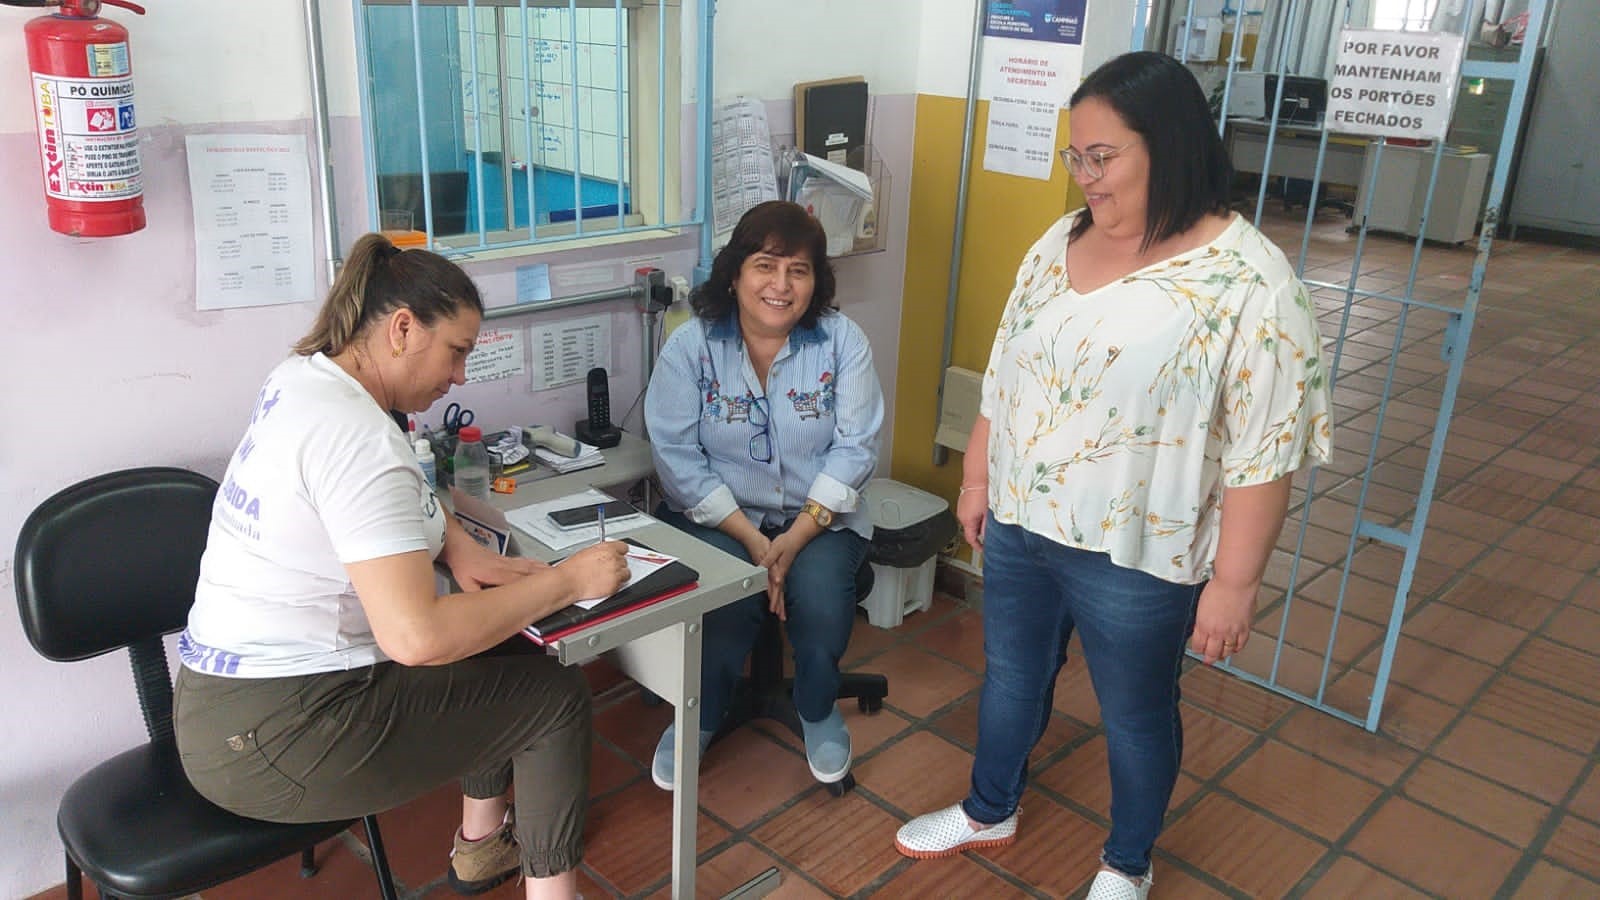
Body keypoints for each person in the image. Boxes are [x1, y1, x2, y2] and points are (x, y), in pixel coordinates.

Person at [893, 52, 1332, 900]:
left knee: (1134, 715)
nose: (1086, 178)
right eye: (1075, 158)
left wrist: (1235, 584)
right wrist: (979, 478)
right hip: (1025, 522)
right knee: (1013, 675)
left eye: (1104, 157)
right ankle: (990, 808)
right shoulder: (1059, 241)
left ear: (1167, 146)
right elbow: (1006, 369)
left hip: (1138, 549)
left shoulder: (1249, 282)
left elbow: (1266, 449)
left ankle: (1127, 862)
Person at [173, 233, 629, 900]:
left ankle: (480, 846)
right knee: (555, 700)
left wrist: (456, 545)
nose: (460, 378)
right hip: (277, 735)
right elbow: (417, 638)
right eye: (457, 352)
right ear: (403, 329)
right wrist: (567, 580)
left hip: (227, 702)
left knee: (508, 643)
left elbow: (400, 485)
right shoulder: (356, 437)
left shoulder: (308, 378)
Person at [643, 200, 884, 789]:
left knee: (823, 595)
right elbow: (675, 457)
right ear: (734, 273)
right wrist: (753, 541)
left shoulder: (841, 341)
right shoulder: (690, 346)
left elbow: (856, 447)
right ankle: (697, 716)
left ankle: (818, 707)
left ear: (815, 281)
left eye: (798, 271)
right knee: (722, 599)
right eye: (765, 265)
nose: (780, 285)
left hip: (818, 518)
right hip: (720, 520)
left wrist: (793, 539)